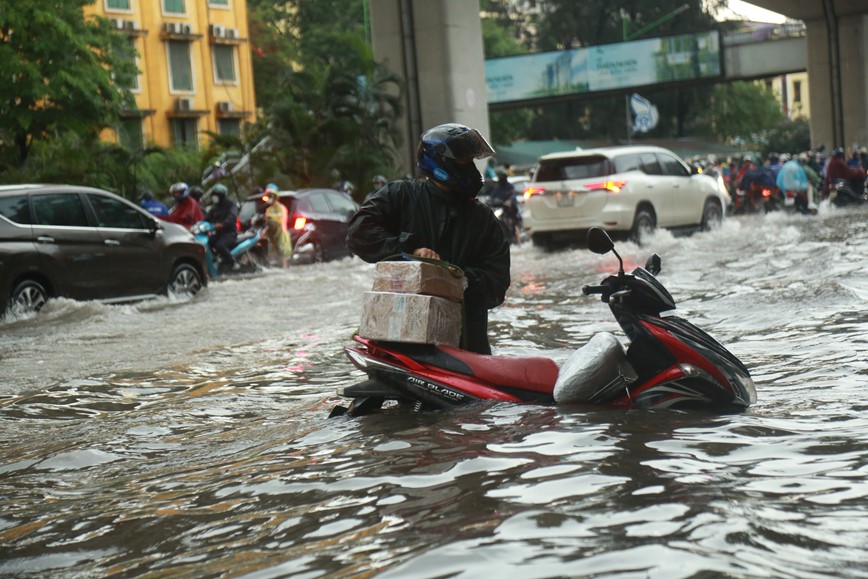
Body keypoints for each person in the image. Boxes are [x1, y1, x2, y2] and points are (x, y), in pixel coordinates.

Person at [346, 123, 510, 355]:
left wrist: (454, 278)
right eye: (463, 161)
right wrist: (409, 250)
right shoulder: (401, 196)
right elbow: (358, 232)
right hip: (399, 346)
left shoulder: (484, 219)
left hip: (464, 348)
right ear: (441, 163)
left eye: (471, 161)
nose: (471, 168)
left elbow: (498, 284)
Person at [205, 183, 239, 271]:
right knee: (208, 242)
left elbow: (232, 216)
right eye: (213, 195)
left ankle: (233, 263)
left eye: (216, 195)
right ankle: (216, 261)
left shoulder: (231, 205)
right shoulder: (214, 208)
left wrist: (223, 224)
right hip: (218, 233)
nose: (214, 197)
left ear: (221, 195)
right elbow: (206, 218)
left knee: (220, 245)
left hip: (230, 232)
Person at [260, 183, 292, 268]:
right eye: (268, 195)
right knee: (272, 255)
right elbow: (266, 221)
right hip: (271, 235)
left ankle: (285, 269)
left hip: (281, 234)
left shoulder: (281, 208)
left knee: (283, 254)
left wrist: (269, 217)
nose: (269, 198)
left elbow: (280, 219)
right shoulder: (268, 209)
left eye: (271, 195)